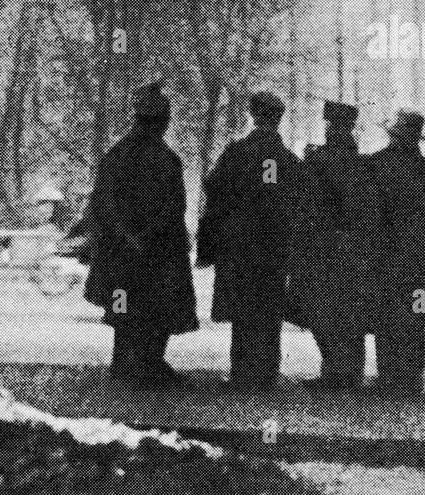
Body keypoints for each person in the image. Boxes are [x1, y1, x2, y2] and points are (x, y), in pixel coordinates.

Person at [85, 81, 198, 386]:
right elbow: (175, 206)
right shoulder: (166, 160)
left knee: (124, 304)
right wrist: (146, 235)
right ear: (162, 123)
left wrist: (125, 236)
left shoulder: (115, 156)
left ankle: (127, 361)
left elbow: (103, 203)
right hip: (156, 251)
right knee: (156, 307)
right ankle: (148, 362)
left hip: (123, 252)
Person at [198, 91, 303, 390]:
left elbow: (213, 186)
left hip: (240, 243)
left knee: (243, 307)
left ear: (253, 116)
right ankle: (267, 372)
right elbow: (300, 202)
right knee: (269, 306)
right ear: (278, 119)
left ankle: (242, 373)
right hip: (274, 244)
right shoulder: (288, 161)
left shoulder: (237, 152)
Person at [287, 100, 386, 390]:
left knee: (321, 310)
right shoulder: (363, 164)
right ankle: (350, 373)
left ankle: (333, 372)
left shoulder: (318, 162)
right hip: (357, 249)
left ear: (329, 127)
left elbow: (306, 206)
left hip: (324, 247)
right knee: (350, 311)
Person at [368, 110, 425, 395]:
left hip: (383, 260)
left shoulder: (374, 165)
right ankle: (412, 378)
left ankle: (388, 377)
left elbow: (365, 213)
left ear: (392, 134)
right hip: (415, 263)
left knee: (386, 315)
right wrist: (422, 237)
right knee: (415, 316)